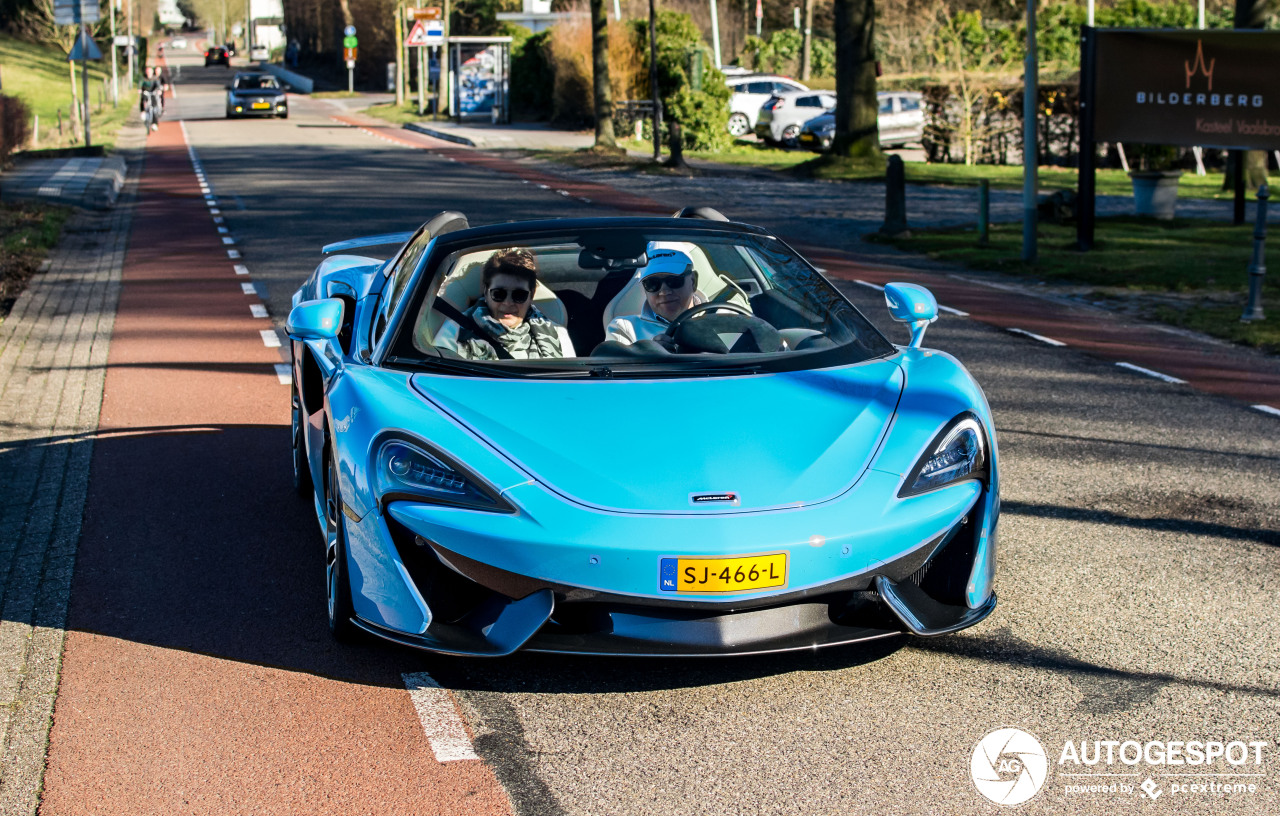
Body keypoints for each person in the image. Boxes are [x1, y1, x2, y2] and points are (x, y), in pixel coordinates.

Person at [439, 248, 567, 361]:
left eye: (519, 295)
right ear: (486, 292)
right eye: (499, 294)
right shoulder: (455, 331)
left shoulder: (557, 334)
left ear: (531, 295)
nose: (508, 303)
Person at [604, 247, 707, 345]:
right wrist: (650, 354)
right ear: (645, 290)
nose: (664, 292)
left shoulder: (721, 318)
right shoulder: (623, 329)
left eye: (673, 280)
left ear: (693, 281)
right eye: (652, 284)